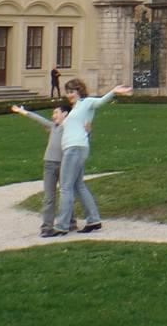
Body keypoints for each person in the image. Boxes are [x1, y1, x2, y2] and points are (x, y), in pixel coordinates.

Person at [52, 79, 133, 236]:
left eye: (72, 91)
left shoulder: (86, 102)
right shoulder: (75, 108)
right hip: (76, 148)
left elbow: (101, 102)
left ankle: (62, 226)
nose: (69, 95)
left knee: (66, 188)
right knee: (78, 186)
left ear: (79, 91)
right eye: (67, 92)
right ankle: (93, 220)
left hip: (74, 149)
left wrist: (114, 91)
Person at [11, 100, 73, 237]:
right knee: (49, 197)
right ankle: (47, 228)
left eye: (56, 112)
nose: (53, 116)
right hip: (49, 165)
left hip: (64, 165)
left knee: (65, 194)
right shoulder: (53, 126)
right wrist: (23, 112)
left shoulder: (70, 127)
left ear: (65, 114)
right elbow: (39, 119)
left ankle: (70, 221)